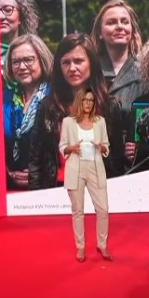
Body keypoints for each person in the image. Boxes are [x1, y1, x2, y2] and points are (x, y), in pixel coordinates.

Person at [59, 87, 113, 262]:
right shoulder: (68, 122)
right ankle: (80, 247)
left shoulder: (100, 122)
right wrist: (71, 148)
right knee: (78, 211)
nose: (88, 103)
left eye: (91, 100)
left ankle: (102, 244)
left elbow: (106, 146)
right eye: (85, 100)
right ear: (79, 101)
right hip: (76, 168)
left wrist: (101, 147)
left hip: (95, 168)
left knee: (103, 209)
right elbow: (62, 147)